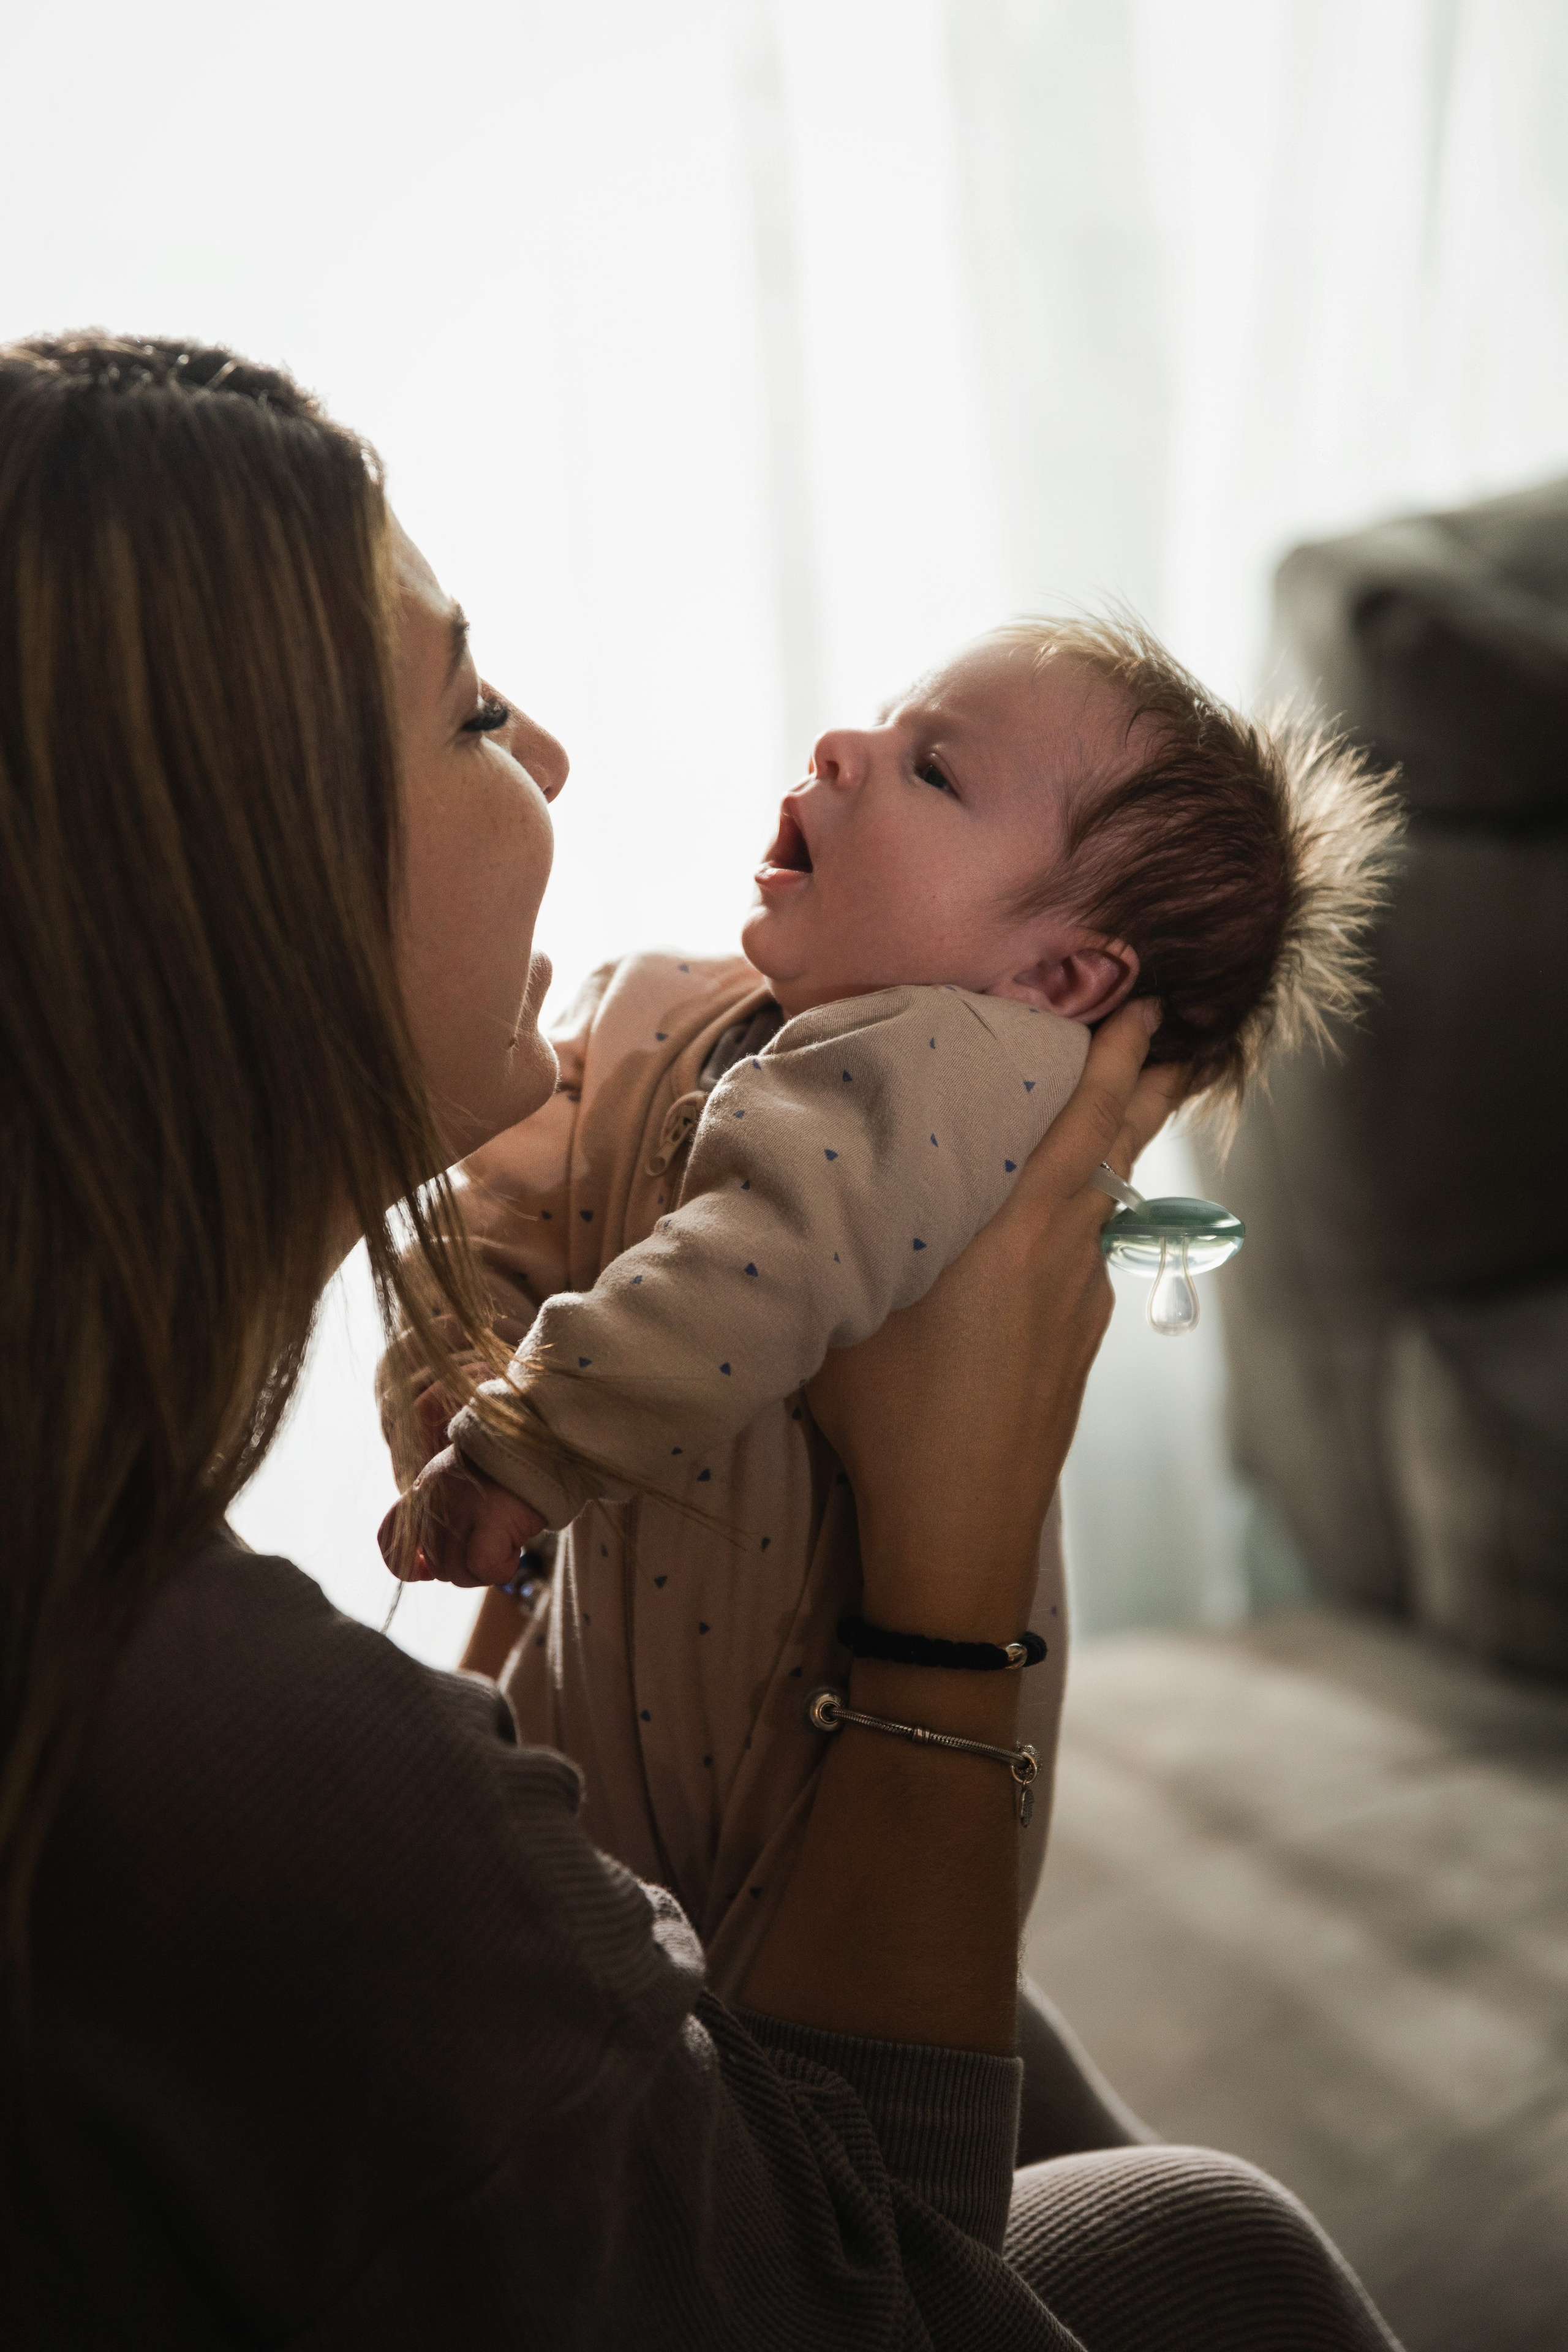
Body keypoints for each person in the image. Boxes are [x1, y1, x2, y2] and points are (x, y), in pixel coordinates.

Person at [0, 334, 1401, 2350]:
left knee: (1128, 2151)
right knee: (1213, 2244)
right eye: (473, 712)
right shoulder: (290, 1799)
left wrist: (492, 1354)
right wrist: (952, 1578)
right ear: (241, 875)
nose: (550, 757)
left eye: (933, 767)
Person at [372, 620, 1397, 2007]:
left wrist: (520, 1442)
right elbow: (509, 1195)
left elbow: (766, 1254)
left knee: (750, 2081)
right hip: (609, 1701)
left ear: (1060, 983)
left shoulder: (972, 1073)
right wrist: (452, 1360)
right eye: (879, 724)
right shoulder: (682, 1008)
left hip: (808, 1766)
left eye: (932, 771)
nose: (842, 750)